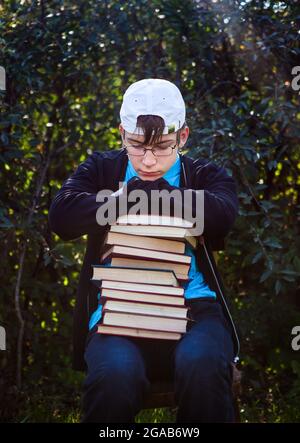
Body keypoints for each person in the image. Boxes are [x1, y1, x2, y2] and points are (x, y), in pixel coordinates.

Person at [48, 78, 240, 423]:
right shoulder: (101, 168)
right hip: (118, 316)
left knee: (204, 366)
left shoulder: (205, 174)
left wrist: (146, 196)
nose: (149, 161)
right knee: (113, 377)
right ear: (122, 133)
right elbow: (62, 216)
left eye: (163, 146)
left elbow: (222, 214)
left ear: (182, 137)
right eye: (137, 145)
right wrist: (123, 199)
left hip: (195, 312)